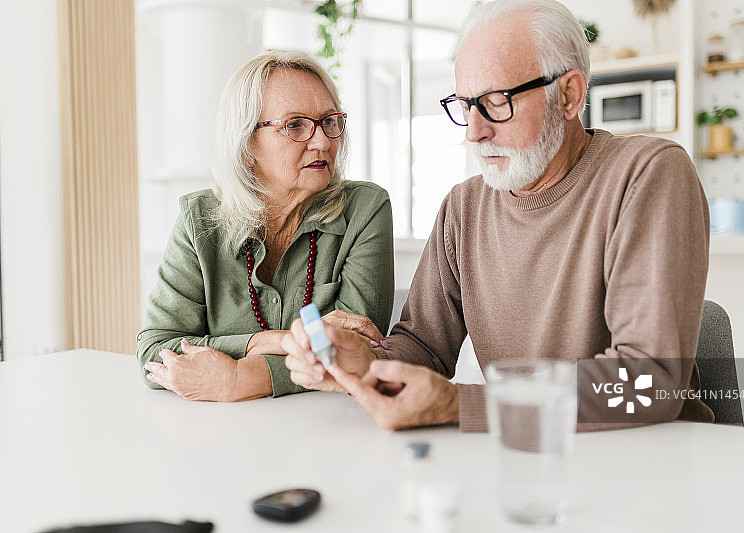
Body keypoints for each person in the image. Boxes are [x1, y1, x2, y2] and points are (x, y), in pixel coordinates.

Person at [282, 0, 714, 431]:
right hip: (527, 457)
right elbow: (424, 346)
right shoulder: (463, 207)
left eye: (496, 102)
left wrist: (462, 405)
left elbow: (649, 381)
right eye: (466, 104)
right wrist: (368, 361)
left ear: (568, 95)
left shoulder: (648, 173)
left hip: (651, 458)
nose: (474, 131)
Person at [137, 51, 394, 402]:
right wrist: (268, 341)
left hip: (328, 429)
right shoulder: (199, 219)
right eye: (295, 125)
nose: (322, 142)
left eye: (329, 121)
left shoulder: (365, 209)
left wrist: (240, 378)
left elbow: (357, 351)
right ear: (246, 146)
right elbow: (156, 350)